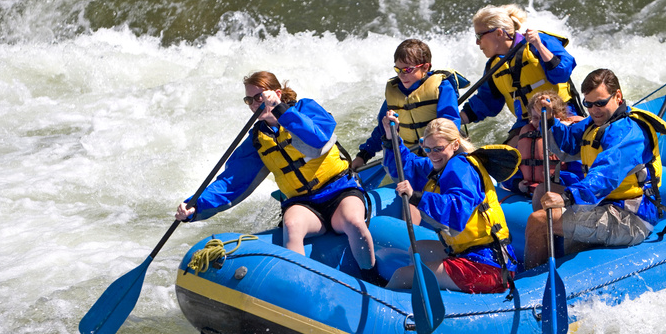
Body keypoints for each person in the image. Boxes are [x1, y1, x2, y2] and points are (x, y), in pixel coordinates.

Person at [176, 71, 377, 278]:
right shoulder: (257, 139)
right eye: (249, 100)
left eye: (259, 97)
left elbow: (318, 138)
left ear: (276, 93)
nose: (255, 104)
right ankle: (299, 286)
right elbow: (231, 183)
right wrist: (195, 205)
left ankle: (372, 277)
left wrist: (281, 110)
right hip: (303, 202)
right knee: (291, 226)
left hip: (339, 190)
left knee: (353, 221)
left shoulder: (306, 108)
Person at [522, 69, 666, 270]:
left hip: (630, 217)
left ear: (617, 96)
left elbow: (605, 175)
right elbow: (566, 144)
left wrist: (567, 197)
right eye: (588, 104)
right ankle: (555, 256)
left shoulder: (628, 132)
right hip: (604, 205)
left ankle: (531, 285)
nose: (594, 110)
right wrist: (549, 120)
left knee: (539, 221)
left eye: (600, 103)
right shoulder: (595, 124)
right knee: (541, 192)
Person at [381, 114, 519, 293]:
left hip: (489, 265)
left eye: (438, 148)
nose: (432, 155)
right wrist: (391, 138)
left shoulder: (462, 168)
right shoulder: (440, 163)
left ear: (455, 145)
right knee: (418, 249)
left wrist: (416, 197)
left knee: (401, 275)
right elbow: (410, 165)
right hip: (467, 252)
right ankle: (423, 291)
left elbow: (457, 209)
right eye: (427, 148)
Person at [460, 4, 579, 144]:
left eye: (479, 35)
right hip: (526, 123)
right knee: (506, 160)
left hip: (560, 114)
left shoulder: (538, 42)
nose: (477, 42)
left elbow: (562, 73)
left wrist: (539, 46)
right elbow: (486, 103)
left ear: (499, 33)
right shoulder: (493, 67)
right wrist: (454, 118)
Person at [350, 39, 466, 171]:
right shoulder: (394, 93)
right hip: (413, 159)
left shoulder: (442, 87)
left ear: (425, 67)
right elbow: (383, 129)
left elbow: (450, 125)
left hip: (441, 156)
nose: (401, 75)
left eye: (407, 70)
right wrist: (363, 155)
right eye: (398, 69)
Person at [504, 90, 584, 203]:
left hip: (560, 196)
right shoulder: (526, 138)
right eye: (535, 118)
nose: (538, 123)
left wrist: (557, 181)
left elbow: (580, 176)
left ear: (558, 116)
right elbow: (510, 170)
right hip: (529, 196)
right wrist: (517, 183)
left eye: (542, 118)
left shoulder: (568, 140)